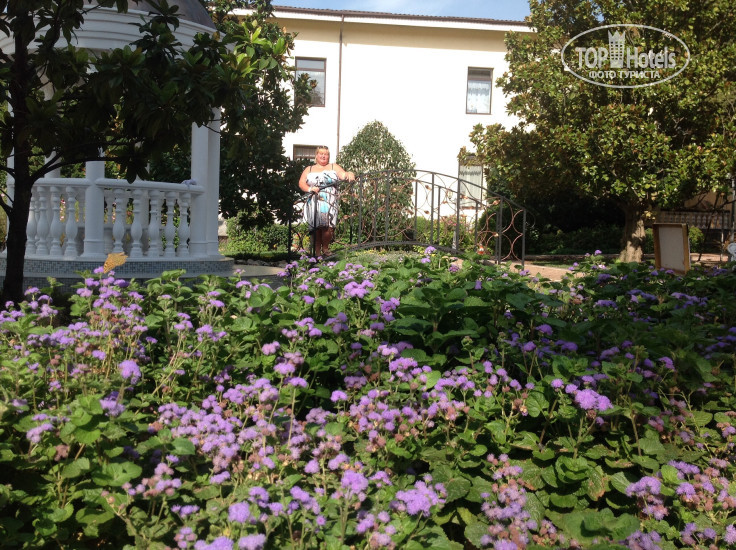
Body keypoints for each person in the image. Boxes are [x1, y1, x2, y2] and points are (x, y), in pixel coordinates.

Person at [298, 146, 355, 257]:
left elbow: (343, 174)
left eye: (326, 154)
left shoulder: (333, 166)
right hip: (314, 201)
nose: (323, 156)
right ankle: (316, 251)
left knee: (329, 226)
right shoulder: (309, 169)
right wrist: (310, 189)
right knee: (316, 227)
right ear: (316, 155)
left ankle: (325, 248)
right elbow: (301, 183)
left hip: (330, 201)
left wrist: (349, 174)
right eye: (321, 154)